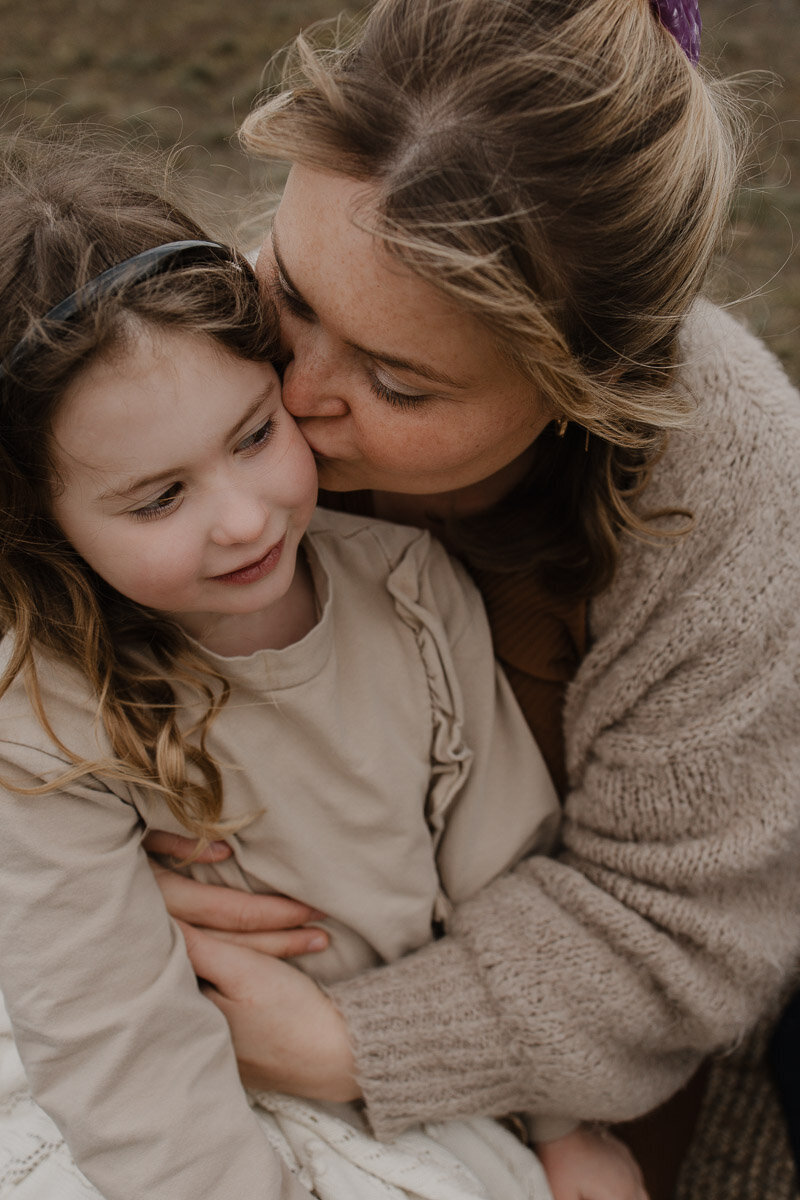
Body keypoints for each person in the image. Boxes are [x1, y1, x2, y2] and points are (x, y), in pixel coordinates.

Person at [140, 0, 800, 1197]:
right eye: (290, 291)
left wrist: (345, 1041)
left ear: (583, 389)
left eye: (396, 382)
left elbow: (682, 931)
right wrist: (98, 874)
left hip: (525, 1073)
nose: (293, 393)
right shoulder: (183, 340)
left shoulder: (735, 491)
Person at [0, 125, 606, 1200]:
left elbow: (510, 876)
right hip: (155, 1102)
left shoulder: (411, 592)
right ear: (43, 523)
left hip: (398, 1068)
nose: (242, 520)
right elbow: (111, 1036)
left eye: (252, 434)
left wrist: (569, 1129)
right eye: (157, 497)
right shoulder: (42, 704)